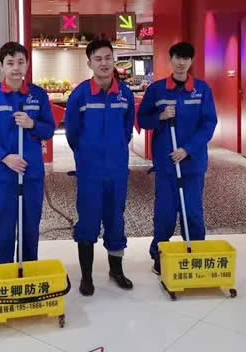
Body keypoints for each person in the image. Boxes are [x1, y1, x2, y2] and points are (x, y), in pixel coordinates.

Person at [137, 42, 217, 274]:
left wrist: (188, 149)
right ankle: (159, 255)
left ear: (191, 61)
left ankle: (195, 253)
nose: (181, 63)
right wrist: (160, 117)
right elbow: (142, 120)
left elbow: (209, 124)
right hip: (166, 164)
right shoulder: (157, 90)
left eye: (186, 58)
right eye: (177, 58)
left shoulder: (201, 90)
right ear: (170, 60)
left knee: (192, 212)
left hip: (192, 164)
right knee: (165, 212)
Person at [0, 42, 56, 266]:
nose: (16, 68)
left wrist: (32, 124)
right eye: (10, 63)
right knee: (3, 227)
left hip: (31, 173)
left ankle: (28, 272)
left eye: (20, 62)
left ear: (27, 64)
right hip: (1, 175)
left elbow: (49, 130)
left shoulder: (38, 95)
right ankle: (4, 275)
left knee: (30, 227)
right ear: (2, 67)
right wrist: (5, 157)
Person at [64, 39, 136, 295]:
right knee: (88, 220)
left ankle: (116, 270)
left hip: (117, 170)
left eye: (108, 57)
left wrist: (116, 149)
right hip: (90, 171)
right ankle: (86, 276)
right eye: (98, 59)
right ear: (90, 63)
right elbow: (72, 132)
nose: (104, 63)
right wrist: (86, 154)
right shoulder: (80, 95)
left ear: (113, 59)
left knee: (116, 219)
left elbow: (128, 128)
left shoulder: (125, 94)